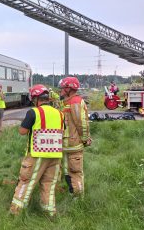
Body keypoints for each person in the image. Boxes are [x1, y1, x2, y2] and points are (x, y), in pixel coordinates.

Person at [10, 84, 64, 216]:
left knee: (26, 182)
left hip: (36, 154)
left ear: (35, 99)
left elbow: (22, 131)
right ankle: (49, 212)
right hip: (55, 155)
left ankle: (15, 212)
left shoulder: (33, 112)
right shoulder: (60, 113)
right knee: (49, 185)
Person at [59, 76, 92, 195]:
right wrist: (85, 139)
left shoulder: (74, 102)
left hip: (68, 143)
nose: (61, 90)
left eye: (63, 88)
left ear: (69, 89)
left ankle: (78, 200)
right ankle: (74, 194)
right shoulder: (70, 102)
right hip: (72, 144)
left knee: (72, 171)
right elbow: (81, 123)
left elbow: (80, 123)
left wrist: (84, 138)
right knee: (72, 171)